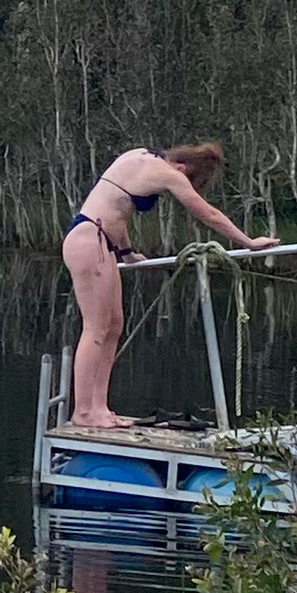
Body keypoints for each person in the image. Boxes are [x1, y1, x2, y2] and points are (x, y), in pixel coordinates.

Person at [61, 143, 257, 428]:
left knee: (114, 325)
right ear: (183, 168)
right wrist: (248, 242)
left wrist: (127, 252)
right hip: (89, 240)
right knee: (95, 328)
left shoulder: (139, 155)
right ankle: (83, 411)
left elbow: (116, 207)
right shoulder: (169, 173)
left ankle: (99, 406)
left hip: (100, 240)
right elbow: (208, 214)